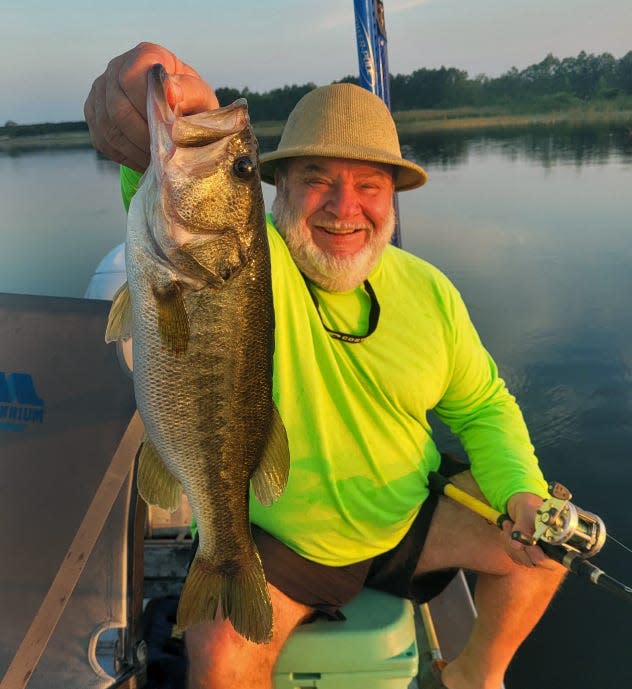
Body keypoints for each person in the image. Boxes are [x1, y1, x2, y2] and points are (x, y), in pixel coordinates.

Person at [85, 42, 566, 689]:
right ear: (277, 188)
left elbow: (483, 405)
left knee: (557, 542)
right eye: (318, 178)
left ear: (392, 196)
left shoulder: (431, 293)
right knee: (223, 661)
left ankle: (475, 673)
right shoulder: (250, 259)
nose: (345, 207)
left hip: (404, 520)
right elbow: (175, 194)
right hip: (285, 544)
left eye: (368, 184)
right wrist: (158, 91)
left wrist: (520, 494)